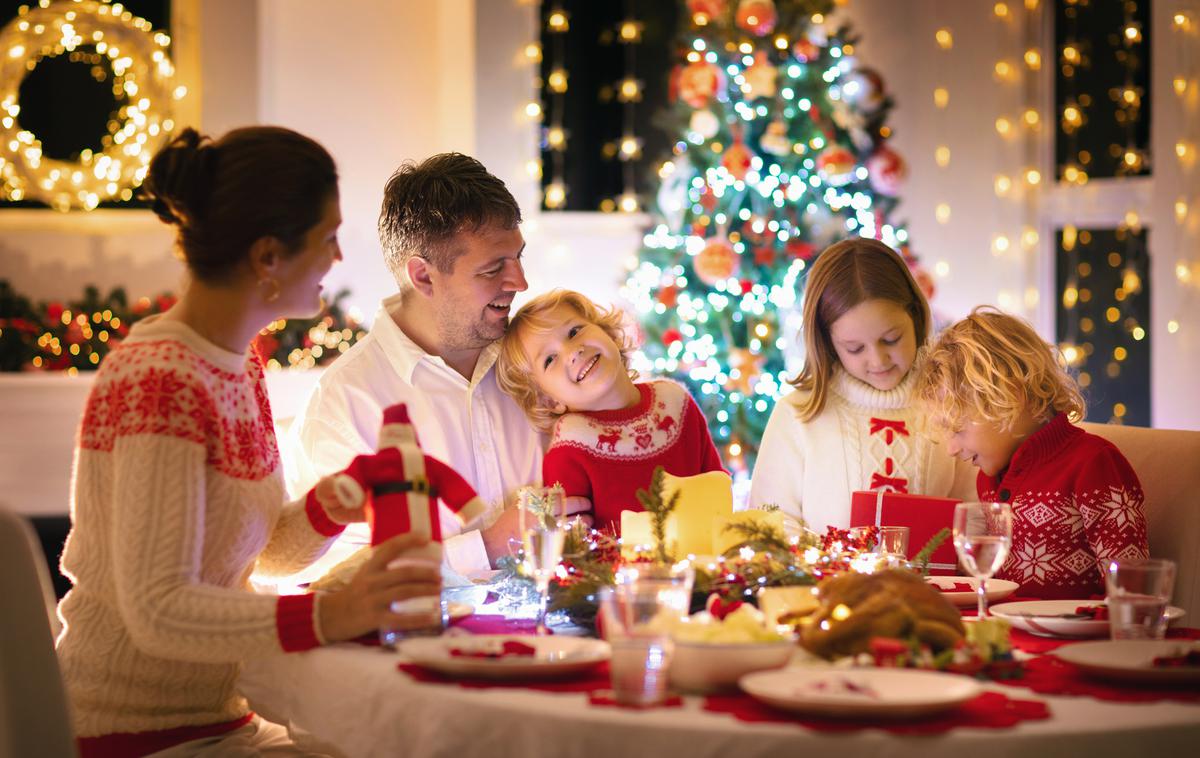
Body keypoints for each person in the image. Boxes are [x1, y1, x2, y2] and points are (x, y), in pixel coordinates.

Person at [55, 126, 441, 757]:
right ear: (268, 257)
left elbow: (253, 561)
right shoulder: (160, 377)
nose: (338, 258)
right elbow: (160, 610)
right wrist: (332, 617)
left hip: (218, 718)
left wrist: (331, 505)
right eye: (327, 237)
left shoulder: (237, 363)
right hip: (133, 733)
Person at [284, 153, 577, 574]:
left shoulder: (539, 362)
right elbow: (333, 578)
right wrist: (489, 547)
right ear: (422, 276)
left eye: (518, 258)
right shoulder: (345, 405)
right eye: (494, 268)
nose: (520, 283)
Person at [916, 307, 1148, 598]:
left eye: (958, 429)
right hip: (1009, 636)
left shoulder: (1094, 464)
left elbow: (1130, 590)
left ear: (1009, 397)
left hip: (1075, 640)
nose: (951, 448)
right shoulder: (989, 479)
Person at [749, 238, 975, 532]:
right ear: (828, 342)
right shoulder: (799, 413)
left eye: (892, 339)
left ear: (916, 316)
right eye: (855, 348)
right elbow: (770, 524)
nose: (878, 360)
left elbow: (975, 514)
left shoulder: (952, 403)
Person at [496, 289, 725, 531]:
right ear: (549, 400)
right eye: (550, 359)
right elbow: (574, 547)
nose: (572, 352)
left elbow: (716, 486)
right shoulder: (570, 450)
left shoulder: (674, 402)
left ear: (608, 333)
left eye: (574, 332)